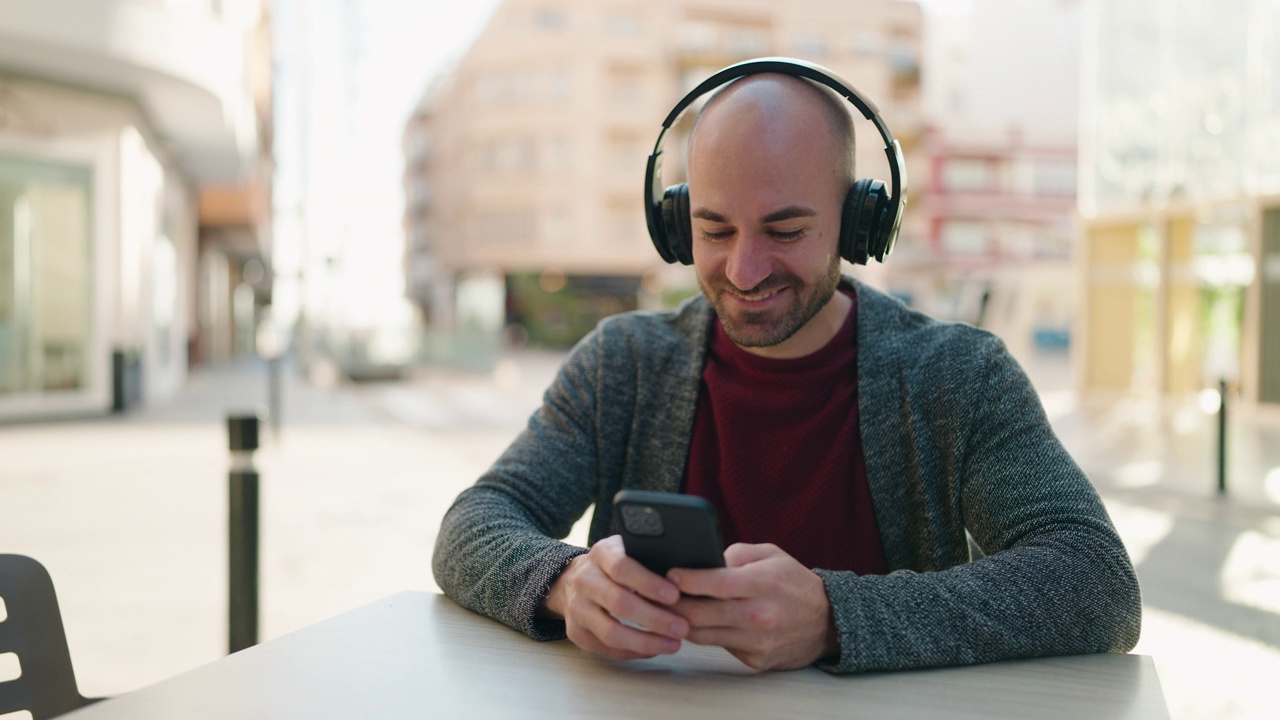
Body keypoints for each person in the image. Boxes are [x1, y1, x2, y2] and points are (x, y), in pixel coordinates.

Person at [432, 58, 1141, 675]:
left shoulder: (960, 377)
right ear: (677, 226)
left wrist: (836, 616)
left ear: (860, 222)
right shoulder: (622, 364)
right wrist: (565, 580)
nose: (744, 269)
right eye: (714, 229)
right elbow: (473, 525)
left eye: (786, 229)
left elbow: (1096, 582)